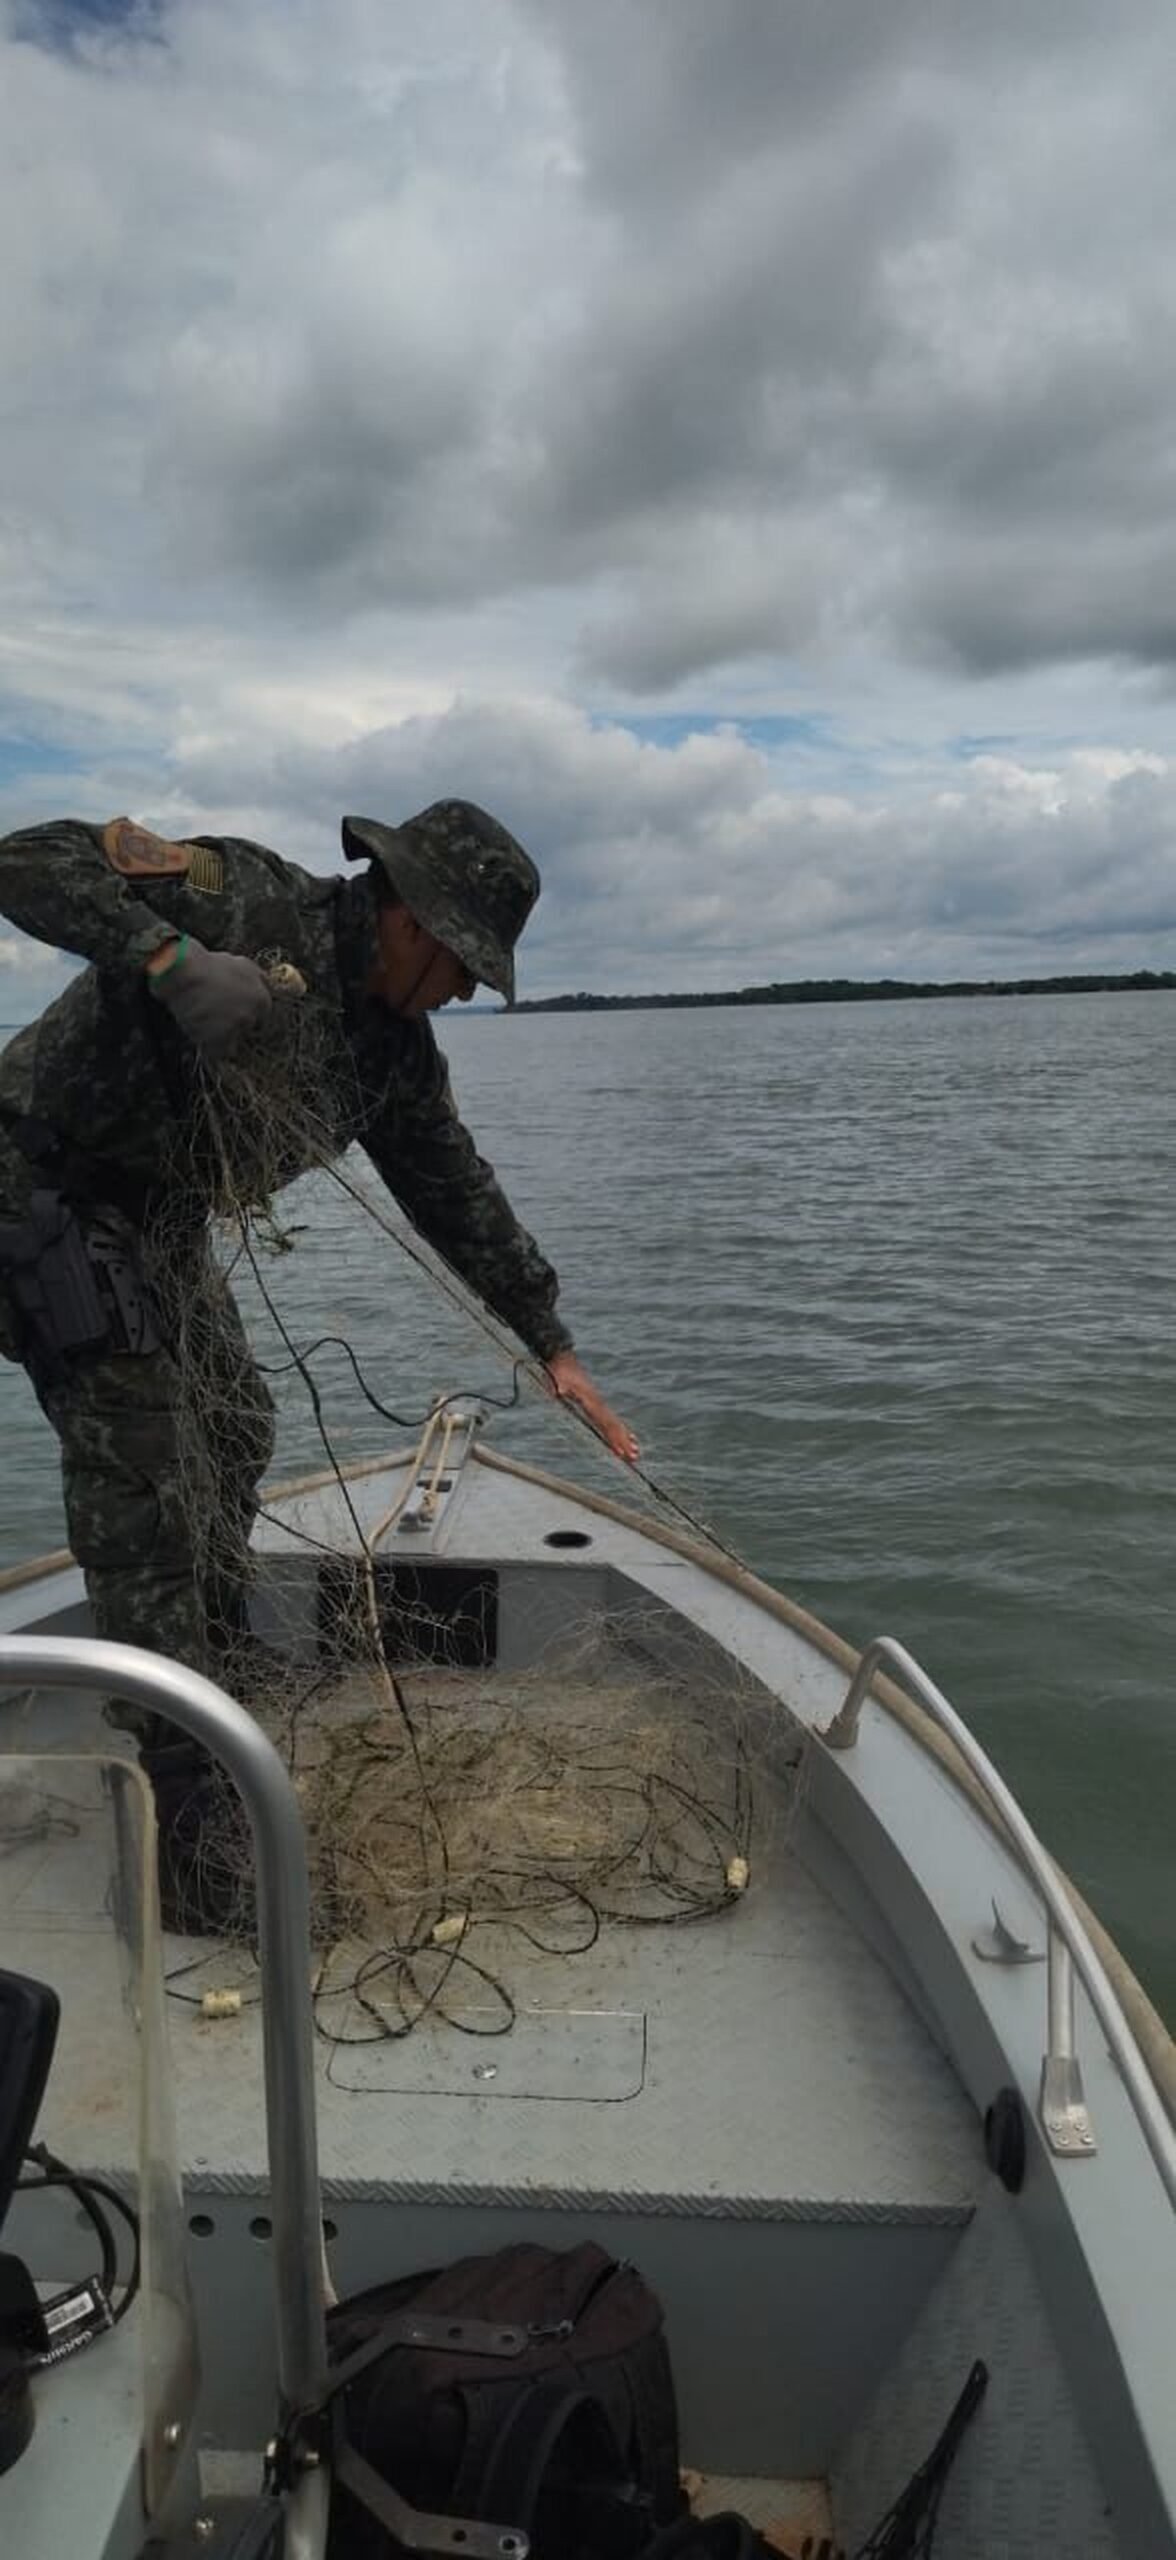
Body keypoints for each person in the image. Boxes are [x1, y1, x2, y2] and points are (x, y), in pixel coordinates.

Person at [0, 799, 638, 1923]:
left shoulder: (391, 1054)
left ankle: (217, 1648)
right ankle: (187, 1809)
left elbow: (452, 1187)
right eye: (460, 970)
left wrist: (552, 1338)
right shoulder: (247, 900)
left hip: (155, 1216)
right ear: (409, 919)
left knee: (235, 1423)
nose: (459, 993)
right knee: (142, 1452)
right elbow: (27, 860)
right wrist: (170, 953)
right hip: (36, 1178)